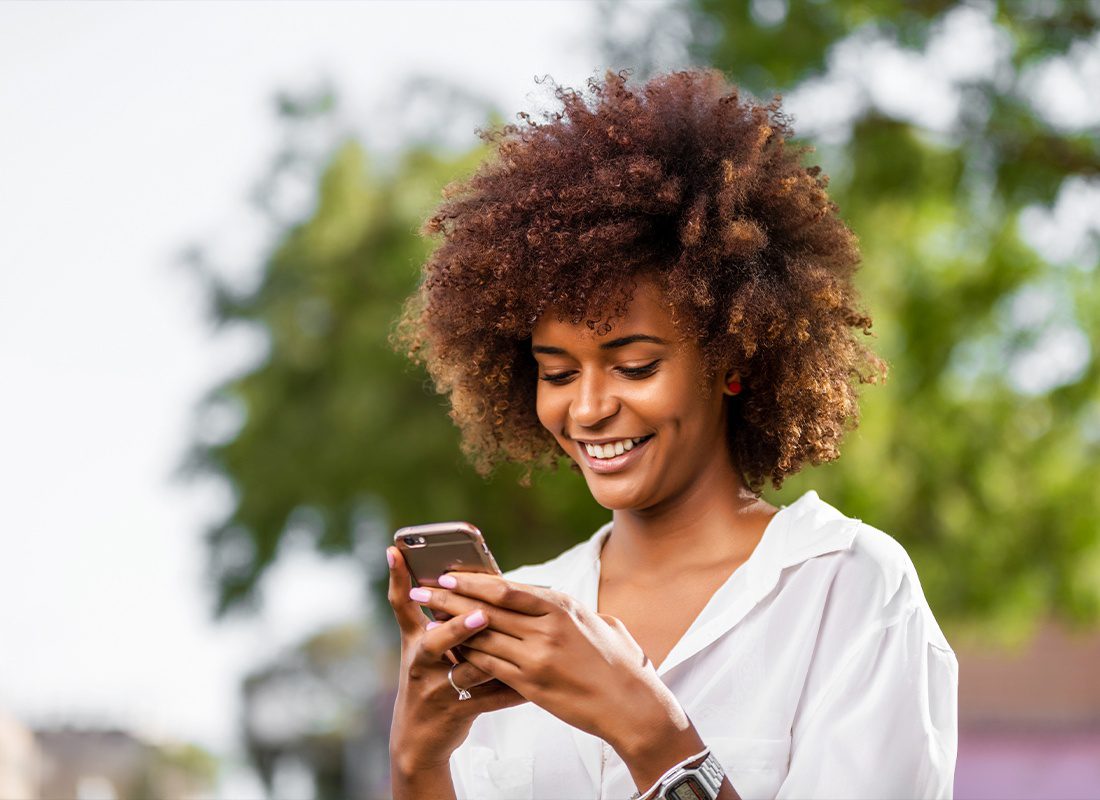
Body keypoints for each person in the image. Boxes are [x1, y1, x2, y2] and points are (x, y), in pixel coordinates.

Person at [386, 67, 958, 799]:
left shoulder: (847, 588)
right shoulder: (522, 616)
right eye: (557, 374)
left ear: (730, 358)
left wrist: (654, 735)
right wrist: (416, 760)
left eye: (633, 365)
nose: (588, 409)